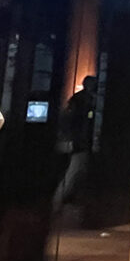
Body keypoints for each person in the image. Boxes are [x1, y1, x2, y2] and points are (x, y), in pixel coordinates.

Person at [53, 76, 96, 211]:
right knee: (74, 171)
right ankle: (58, 200)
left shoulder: (83, 99)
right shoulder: (81, 100)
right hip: (79, 140)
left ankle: (68, 198)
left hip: (81, 140)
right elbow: (73, 121)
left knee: (80, 171)